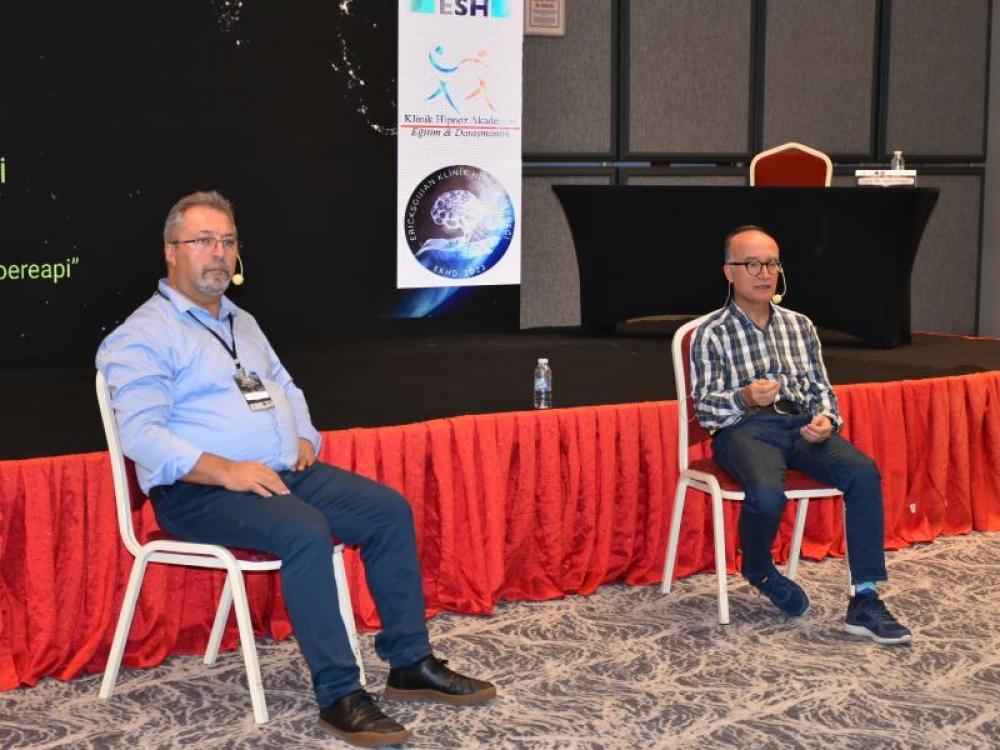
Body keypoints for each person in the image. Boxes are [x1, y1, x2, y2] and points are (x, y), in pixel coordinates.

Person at [96, 191, 496, 747]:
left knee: (387, 511)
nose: (219, 253)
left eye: (228, 241)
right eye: (203, 241)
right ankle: (339, 694)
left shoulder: (241, 321)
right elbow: (141, 435)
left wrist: (305, 436)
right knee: (305, 530)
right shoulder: (142, 335)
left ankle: (409, 663)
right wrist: (226, 471)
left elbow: (284, 385)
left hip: (278, 475)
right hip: (199, 492)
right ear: (170, 252)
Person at [689, 225, 912, 646]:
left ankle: (865, 598)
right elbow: (706, 409)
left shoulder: (800, 325)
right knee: (766, 493)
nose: (764, 273)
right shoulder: (711, 332)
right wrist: (744, 396)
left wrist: (827, 419)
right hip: (744, 429)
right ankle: (758, 568)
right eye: (752, 264)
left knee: (862, 472)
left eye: (771, 263)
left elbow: (821, 388)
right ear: (729, 272)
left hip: (801, 426)